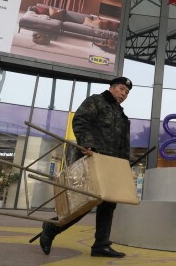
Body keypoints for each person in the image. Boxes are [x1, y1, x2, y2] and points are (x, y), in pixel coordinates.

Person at [39, 76, 132, 258]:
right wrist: (88, 144)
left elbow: (124, 143)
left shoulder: (121, 115)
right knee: (84, 202)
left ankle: (101, 245)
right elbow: (80, 120)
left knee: (108, 204)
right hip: (93, 159)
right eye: (121, 89)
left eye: (127, 92)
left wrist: (124, 164)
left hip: (112, 164)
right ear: (112, 87)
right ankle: (52, 227)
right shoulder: (96, 101)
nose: (124, 94)